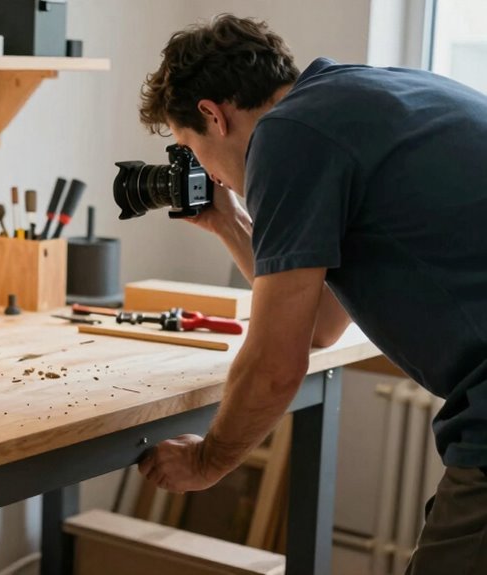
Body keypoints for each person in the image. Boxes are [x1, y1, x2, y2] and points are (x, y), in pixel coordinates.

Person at [133, 14, 487, 573]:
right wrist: (231, 224)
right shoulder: (355, 100)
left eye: (189, 148)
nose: (207, 174)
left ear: (213, 115)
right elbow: (323, 325)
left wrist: (206, 461)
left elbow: (277, 364)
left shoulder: (288, 136)